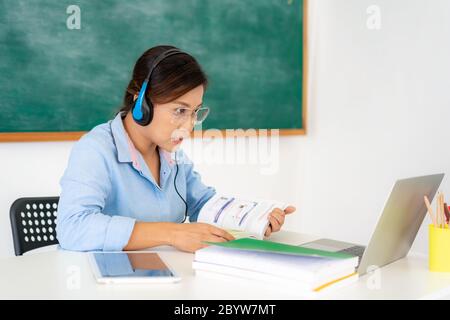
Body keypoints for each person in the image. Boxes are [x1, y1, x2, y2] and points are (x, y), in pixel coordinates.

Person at [56, 45, 296, 253]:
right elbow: (72, 227)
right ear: (142, 103)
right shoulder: (95, 150)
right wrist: (171, 233)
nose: (190, 125)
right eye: (180, 111)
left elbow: (203, 205)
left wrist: (255, 218)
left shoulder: (171, 154)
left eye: (195, 112)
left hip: (166, 279)